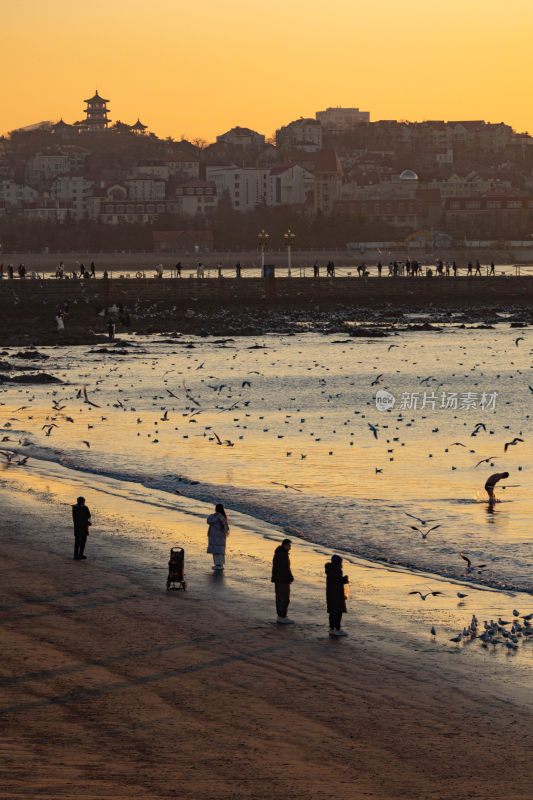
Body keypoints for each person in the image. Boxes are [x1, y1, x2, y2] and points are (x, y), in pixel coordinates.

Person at [271, 539, 294, 624]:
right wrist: (290, 577)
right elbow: (285, 568)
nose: (290, 547)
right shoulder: (283, 554)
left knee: (279, 598)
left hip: (278, 578)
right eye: (289, 545)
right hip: (282, 579)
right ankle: (282, 616)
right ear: (285, 545)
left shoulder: (279, 552)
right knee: (284, 598)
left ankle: (280, 615)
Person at [325, 554, 349, 637]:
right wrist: (345, 579)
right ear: (338, 563)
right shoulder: (336, 570)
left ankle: (332, 628)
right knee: (338, 612)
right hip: (337, 594)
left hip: (331, 594)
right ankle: (337, 629)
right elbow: (339, 580)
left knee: (332, 612)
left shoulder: (330, 569)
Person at [207, 503, 229, 571]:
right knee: (220, 550)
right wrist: (226, 532)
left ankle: (217, 565)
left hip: (214, 535)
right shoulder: (223, 517)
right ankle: (220, 564)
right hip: (221, 535)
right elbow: (226, 527)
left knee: (215, 551)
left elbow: (209, 521)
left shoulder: (213, 516)